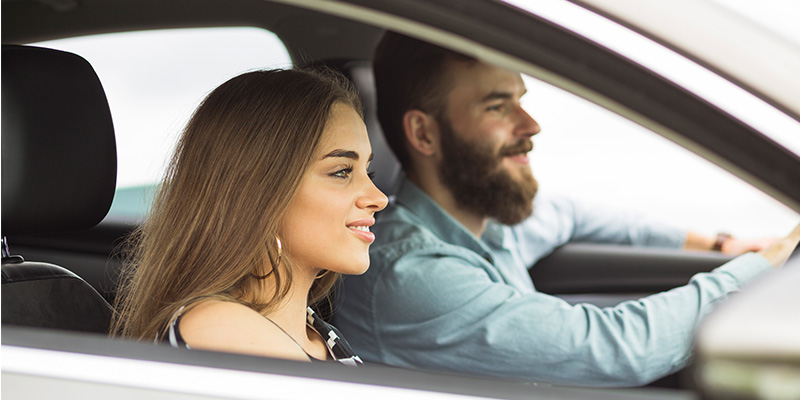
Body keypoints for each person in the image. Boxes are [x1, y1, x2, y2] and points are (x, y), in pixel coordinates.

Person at [334, 32, 800, 385]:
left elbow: (572, 214)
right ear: (424, 134)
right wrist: (769, 264)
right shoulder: (409, 273)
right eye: (497, 107)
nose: (531, 125)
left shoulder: (487, 224)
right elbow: (617, 348)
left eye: (521, 101)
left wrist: (717, 244)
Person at [111, 68, 388, 365]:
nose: (379, 198)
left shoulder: (313, 333)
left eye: (368, 172)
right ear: (260, 194)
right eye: (342, 172)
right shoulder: (222, 329)